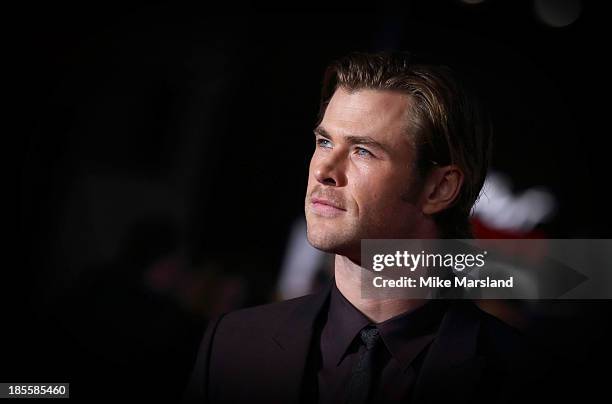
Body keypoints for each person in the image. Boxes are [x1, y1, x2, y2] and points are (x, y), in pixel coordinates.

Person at [183, 51, 557, 404]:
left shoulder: (525, 378)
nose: (323, 171)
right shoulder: (233, 345)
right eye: (324, 141)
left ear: (439, 188)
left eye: (363, 151)